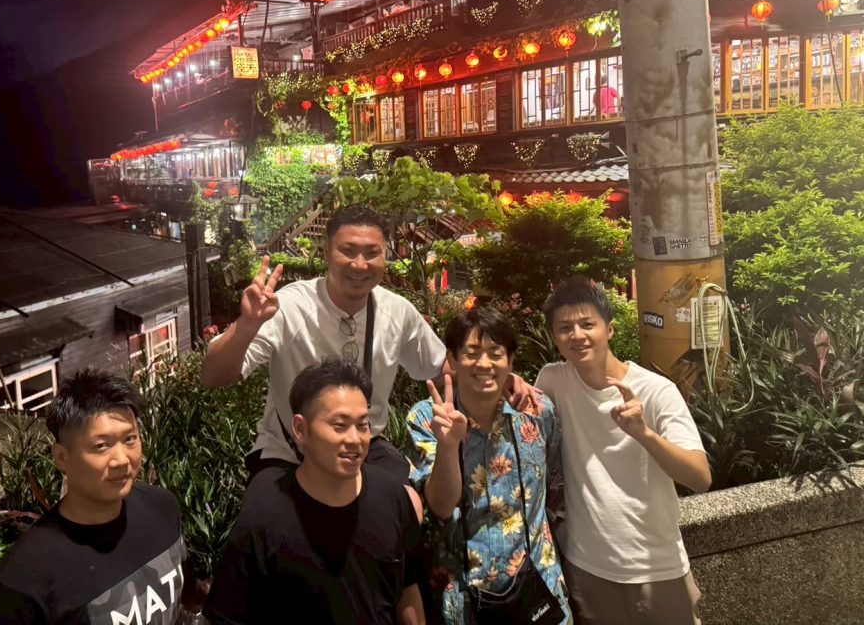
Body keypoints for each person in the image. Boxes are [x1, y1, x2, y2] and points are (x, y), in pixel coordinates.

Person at [201, 203, 534, 482]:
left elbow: (442, 370)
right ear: (326, 252)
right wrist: (247, 325)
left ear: (384, 256)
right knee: (267, 520)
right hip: (290, 451)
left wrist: (499, 378)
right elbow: (213, 376)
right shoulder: (289, 306)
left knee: (408, 506)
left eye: (372, 253)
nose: (360, 265)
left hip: (363, 448)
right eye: (348, 251)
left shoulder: (397, 312)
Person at [535, 277, 711, 625]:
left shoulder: (656, 391)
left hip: (657, 569)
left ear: (610, 329)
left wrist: (644, 434)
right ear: (555, 337)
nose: (577, 335)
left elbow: (699, 477)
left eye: (588, 324)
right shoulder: (554, 380)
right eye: (565, 328)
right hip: (587, 569)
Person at [202, 358, 426, 624]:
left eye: (363, 425)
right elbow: (228, 615)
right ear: (300, 429)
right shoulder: (264, 516)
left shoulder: (392, 497)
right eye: (339, 425)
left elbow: (408, 589)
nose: (354, 439)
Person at [0, 369, 195, 624]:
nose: (122, 459)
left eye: (130, 439)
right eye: (101, 446)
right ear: (62, 457)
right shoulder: (21, 584)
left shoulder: (162, 508)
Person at [405, 307, 571, 625]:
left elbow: (554, 486)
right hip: (462, 598)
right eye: (471, 353)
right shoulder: (427, 419)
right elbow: (440, 507)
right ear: (452, 360)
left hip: (540, 590)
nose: (484, 364)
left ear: (510, 361)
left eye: (496, 354)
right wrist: (448, 445)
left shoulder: (537, 410)